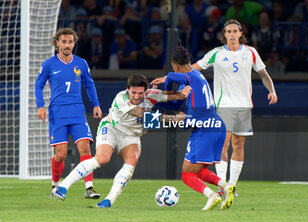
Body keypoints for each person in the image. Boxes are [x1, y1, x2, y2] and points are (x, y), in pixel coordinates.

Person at [51, 74, 191, 208]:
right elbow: (143, 116)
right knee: (102, 159)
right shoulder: (121, 98)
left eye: (140, 93)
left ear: (146, 91)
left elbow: (171, 96)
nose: (136, 96)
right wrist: (173, 119)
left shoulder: (152, 94)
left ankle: (108, 201)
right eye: (133, 93)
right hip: (112, 128)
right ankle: (63, 186)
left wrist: (183, 92)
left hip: (132, 135)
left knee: (131, 163)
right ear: (127, 90)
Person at [191, 19, 278, 196]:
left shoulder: (250, 52)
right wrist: (179, 77)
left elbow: (263, 73)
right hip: (224, 105)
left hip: (245, 105)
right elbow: (195, 68)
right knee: (223, 146)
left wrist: (272, 91)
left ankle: (232, 186)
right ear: (224, 35)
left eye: (234, 31)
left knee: (239, 146)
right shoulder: (216, 53)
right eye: (228, 31)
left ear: (240, 34)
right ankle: (222, 187)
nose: (231, 34)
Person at [151, 46, 235, 211]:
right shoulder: (196, 77)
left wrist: (166, 85)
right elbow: (176, 103)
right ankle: (225, 186)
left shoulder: (189, 77)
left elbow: (172, 77)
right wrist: (157, 100)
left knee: (186, 174)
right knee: (198, 170)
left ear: (174, 65)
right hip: (216, 126)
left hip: (205, 128)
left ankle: (212, 196)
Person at [35, 28, 102, 199]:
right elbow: (38, 85)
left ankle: (89, 188)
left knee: (85, 147)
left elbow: (89, 85)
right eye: (63, 42)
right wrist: (40, 106)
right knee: (61, 154)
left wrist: (96, 105)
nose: (67, 45)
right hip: (57, 114)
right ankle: (55, 186)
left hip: (77, 112)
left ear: (74, 43)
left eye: (70, 42)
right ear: (57, 43)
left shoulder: (81, 63)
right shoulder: (49, 64)